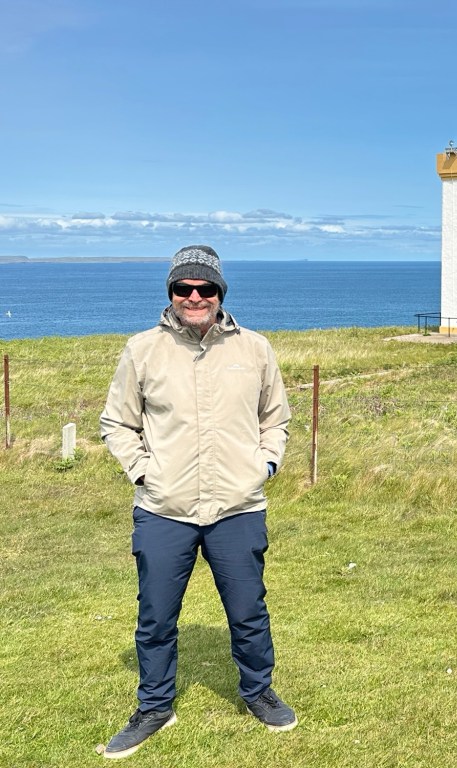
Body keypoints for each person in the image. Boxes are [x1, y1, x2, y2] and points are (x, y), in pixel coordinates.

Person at [99, 245, 295, 759]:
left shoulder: (255, 349)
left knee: (248, 612)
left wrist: (265, 465)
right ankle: (154, 707)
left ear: (219, 293)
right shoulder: (142, 350)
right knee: (156, 617)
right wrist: (144, 471)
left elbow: (276, 418)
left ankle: (258, 693)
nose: (194, 297)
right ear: (170, 292)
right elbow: (117, 422)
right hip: (164, 509)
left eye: (205, 288)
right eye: (183, 288)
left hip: (237, 508)